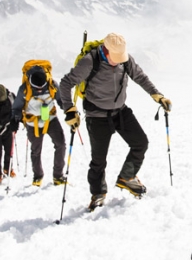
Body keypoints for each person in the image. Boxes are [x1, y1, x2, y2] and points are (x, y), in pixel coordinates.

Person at [59, 32, 171, 211]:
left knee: (140, 143)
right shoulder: (90, 61)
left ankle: (127, 177)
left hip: (120, 112)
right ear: (105, 50)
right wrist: (69, 110)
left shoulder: (125, 59)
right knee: (99, 161)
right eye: (115, 58)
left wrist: (156, 95)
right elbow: (65, 84)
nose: (119, 61)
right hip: (97, 116)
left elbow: (140, 77)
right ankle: (98, 194)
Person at [12, 63, 67, 187]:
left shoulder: (52, 84)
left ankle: (57, 176)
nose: (39, 90)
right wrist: (15, 119)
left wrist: (68, 110)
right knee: (37, 150)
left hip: (49, 119)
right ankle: (38, 176)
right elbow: (16, 107)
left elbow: (60, 100)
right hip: (34, 123)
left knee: (60, 145)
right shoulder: (24, 88)